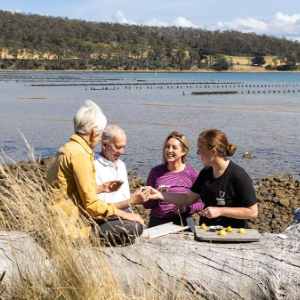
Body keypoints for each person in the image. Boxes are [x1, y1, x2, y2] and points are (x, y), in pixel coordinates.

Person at [47, 100, 149, 245]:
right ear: (94, 131)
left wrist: (100, 188)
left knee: (129, 223)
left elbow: (70, 191)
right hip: (70, 225)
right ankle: (86, 242)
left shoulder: (67, 148)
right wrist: (127, 215)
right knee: (134, 227)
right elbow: (92, 205)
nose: (100, 138)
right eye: (100, 133)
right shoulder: (80, 154)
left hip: (61, 217)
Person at [149, 129, 258, 228]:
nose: (197, 153)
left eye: (200, 149)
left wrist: (221, 211)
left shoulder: (238, 175)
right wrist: (160, 195)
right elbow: (188, 198)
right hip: (206, 233)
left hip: (232, 234)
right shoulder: (205, 172)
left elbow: (253, 212)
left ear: (213, 151)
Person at [143, 131, 204, 232]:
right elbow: (146, 205)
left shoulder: (192, 175)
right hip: (158, 222)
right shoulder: (155, 172)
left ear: (184, 151)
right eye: (167, 146)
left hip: (183, 222)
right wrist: (156, 196)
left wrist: (186, 208)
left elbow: (202, 203)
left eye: (174, 147)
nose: (169, 150)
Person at [94, 125, 133, 213]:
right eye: (118, 147)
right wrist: (132, 201)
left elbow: (125, 197)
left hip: (126, 214)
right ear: (104, 145)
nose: (122, 152)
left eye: (124, 147)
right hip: (107, 217)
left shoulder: (121, 165)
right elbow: (98, 207)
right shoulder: (94, 166)